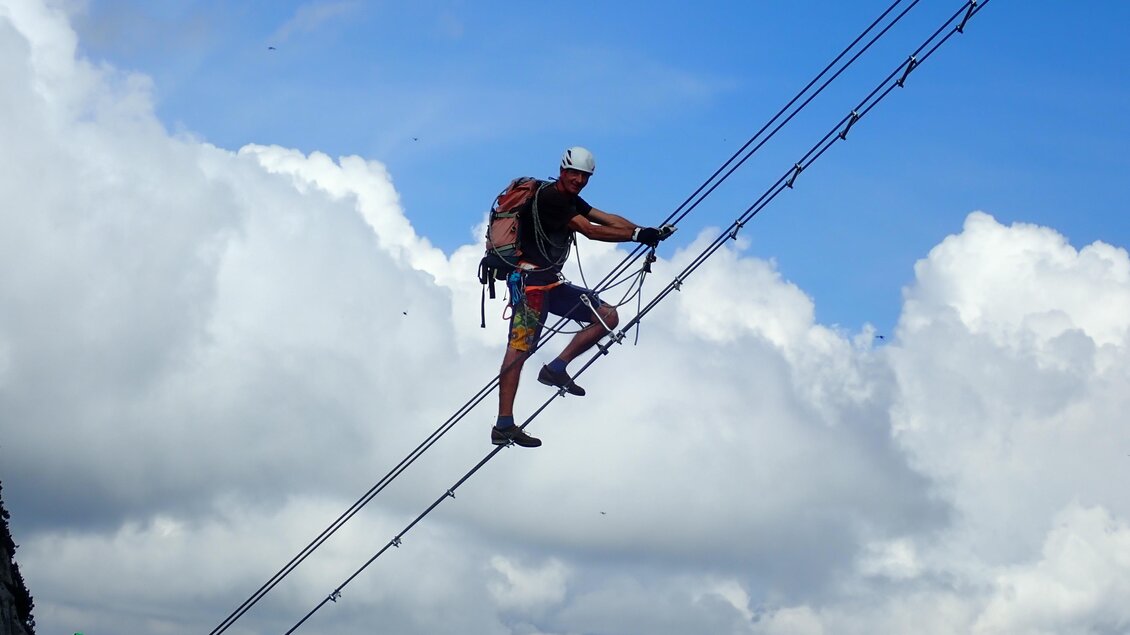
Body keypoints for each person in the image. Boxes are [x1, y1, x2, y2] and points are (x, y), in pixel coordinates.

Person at [492, 146, 673, 447]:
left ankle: (556, 369)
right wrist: (636, 236)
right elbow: (589, 230)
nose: (578, 180)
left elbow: (604, 217)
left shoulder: (569, 198)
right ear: (562, 171)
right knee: (519, 351)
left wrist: (644, 231)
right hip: (531, 286)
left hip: (552, 285)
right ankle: (503, 424)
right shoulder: (551, 199)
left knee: (608, 316)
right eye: (574, 173)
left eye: (584, 176)